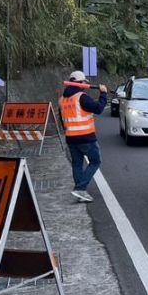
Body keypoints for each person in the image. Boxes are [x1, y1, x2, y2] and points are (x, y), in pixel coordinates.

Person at [59, 70, 108, 203]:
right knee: (95, 161)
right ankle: (80, 188)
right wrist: (103, 93)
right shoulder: (81, 97)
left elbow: (62, 120)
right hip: (86, 137)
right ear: (80, 83)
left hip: (70, 137)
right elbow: (98, 109)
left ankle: (80, 190)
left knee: (77, 163)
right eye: (84, 82)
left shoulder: (62, 99)